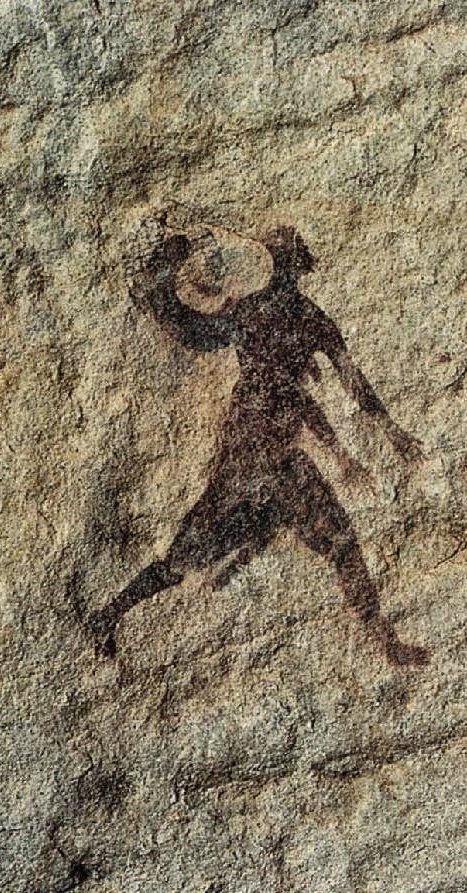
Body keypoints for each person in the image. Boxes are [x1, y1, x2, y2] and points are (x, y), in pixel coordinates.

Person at [87, 225, 428, 666]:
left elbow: (347, 382)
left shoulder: (288, 316)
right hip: (255, 453)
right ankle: (111, 614)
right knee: (197, 550)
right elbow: (195, 331)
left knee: (324, 541)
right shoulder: (273, 313)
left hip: (273, 451)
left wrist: (390, 435)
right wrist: (165, 274)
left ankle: (385, 642)